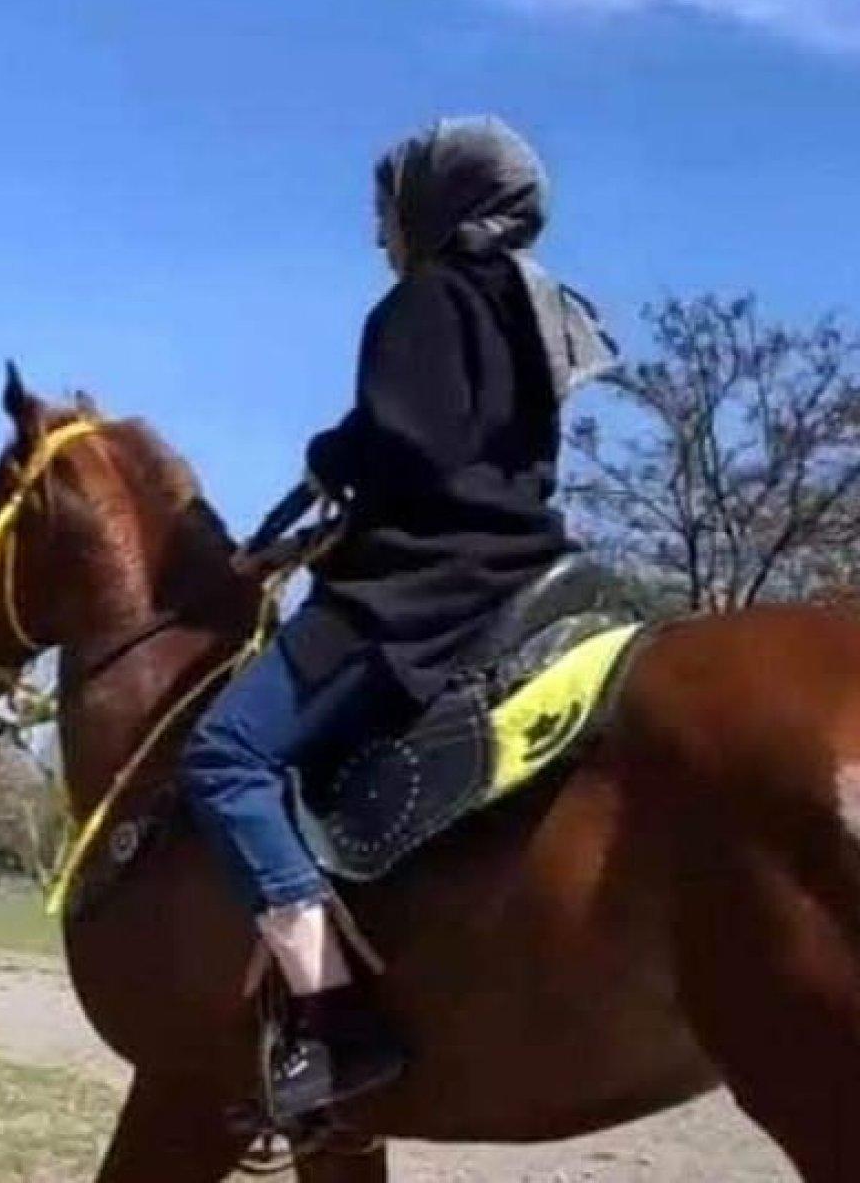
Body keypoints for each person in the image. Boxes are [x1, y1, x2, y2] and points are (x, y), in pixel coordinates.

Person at [181, 116, 615, 1124]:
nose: (378, 235)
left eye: (384, 214)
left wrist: (335, 459)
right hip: (519, 564)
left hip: (418, 591)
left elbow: (408, 451)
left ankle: (334, 1021)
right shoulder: (533, 308)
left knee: (226, 759)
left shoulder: (419, 302)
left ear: (430, 206)